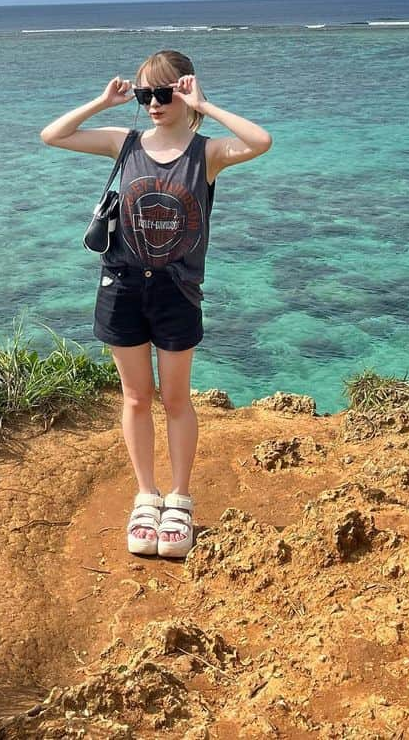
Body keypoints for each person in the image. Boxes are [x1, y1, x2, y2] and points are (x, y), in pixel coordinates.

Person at [40, 48, 272, 559]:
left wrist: (207, 107)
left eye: (162, 92)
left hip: (177, 290)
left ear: (184, 91)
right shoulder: (126, 144)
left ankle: (180, 499)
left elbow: (261, 140)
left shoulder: (205, 153)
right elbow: (52, 135)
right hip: (122, 284)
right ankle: (146, 495)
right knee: (136, 398)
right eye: (146, 94)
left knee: (175, 400)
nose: (152, 103)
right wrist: (103, 102)